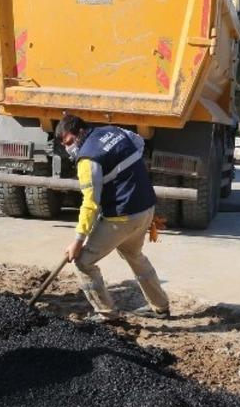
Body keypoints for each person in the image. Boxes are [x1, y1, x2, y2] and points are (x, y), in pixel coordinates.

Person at [56, 114, 170, 322]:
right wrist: (124, 175)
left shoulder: (87, 159)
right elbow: (138, 143)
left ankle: (106, 313)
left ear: (80, 132)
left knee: (83, 262)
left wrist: (78, 241)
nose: (69, 148)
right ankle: (161, 306)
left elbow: (90, 203)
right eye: (64, 145)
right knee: (133, 254)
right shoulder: (113, 131)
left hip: (123, 217)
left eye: (70, 142)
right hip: (146, 208)